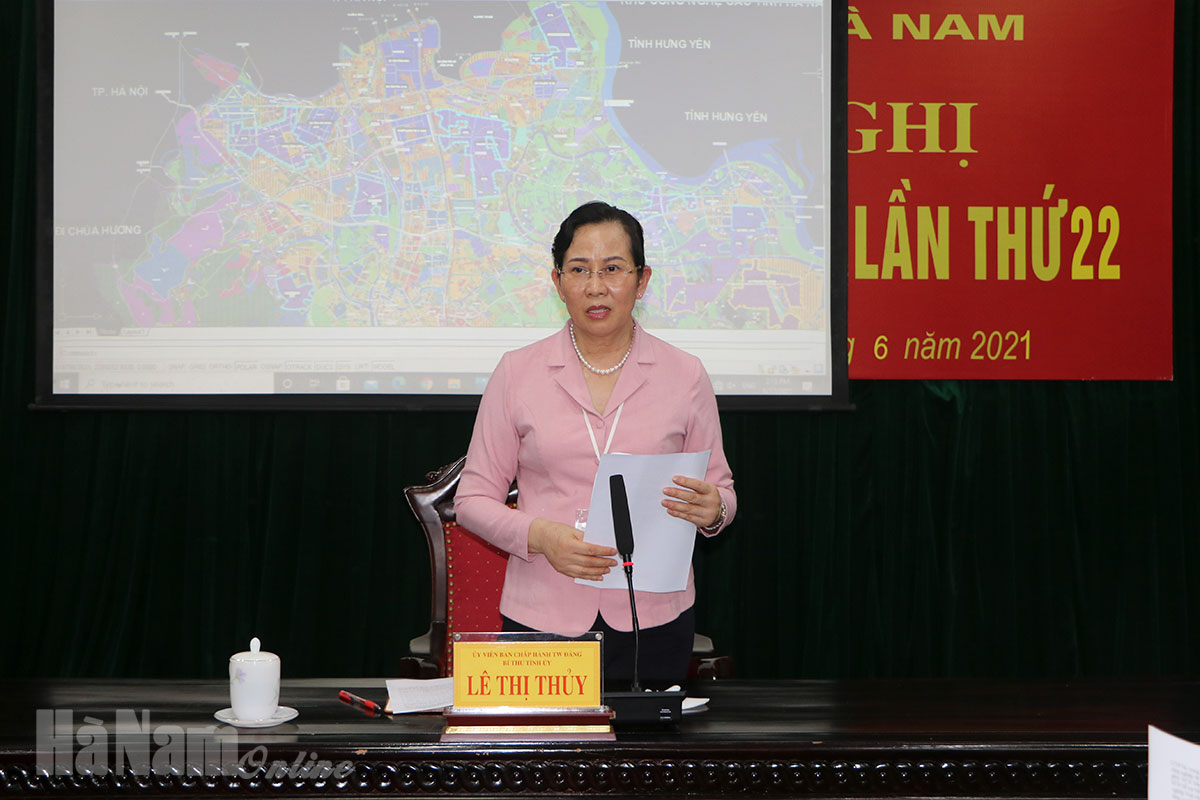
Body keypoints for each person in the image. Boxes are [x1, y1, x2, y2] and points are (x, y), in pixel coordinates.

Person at [455, 201, 736, 687]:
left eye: (612, 269)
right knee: (547, 741)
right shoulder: (517, 372)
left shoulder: (685, 374)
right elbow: (472, 501)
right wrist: (541, 536)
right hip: (543, 614)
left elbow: (722, 492)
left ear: (642, 280)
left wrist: (714, 510)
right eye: (579, 269)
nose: (595, 286)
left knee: (648, 740)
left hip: (654, 615)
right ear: (557, 281)